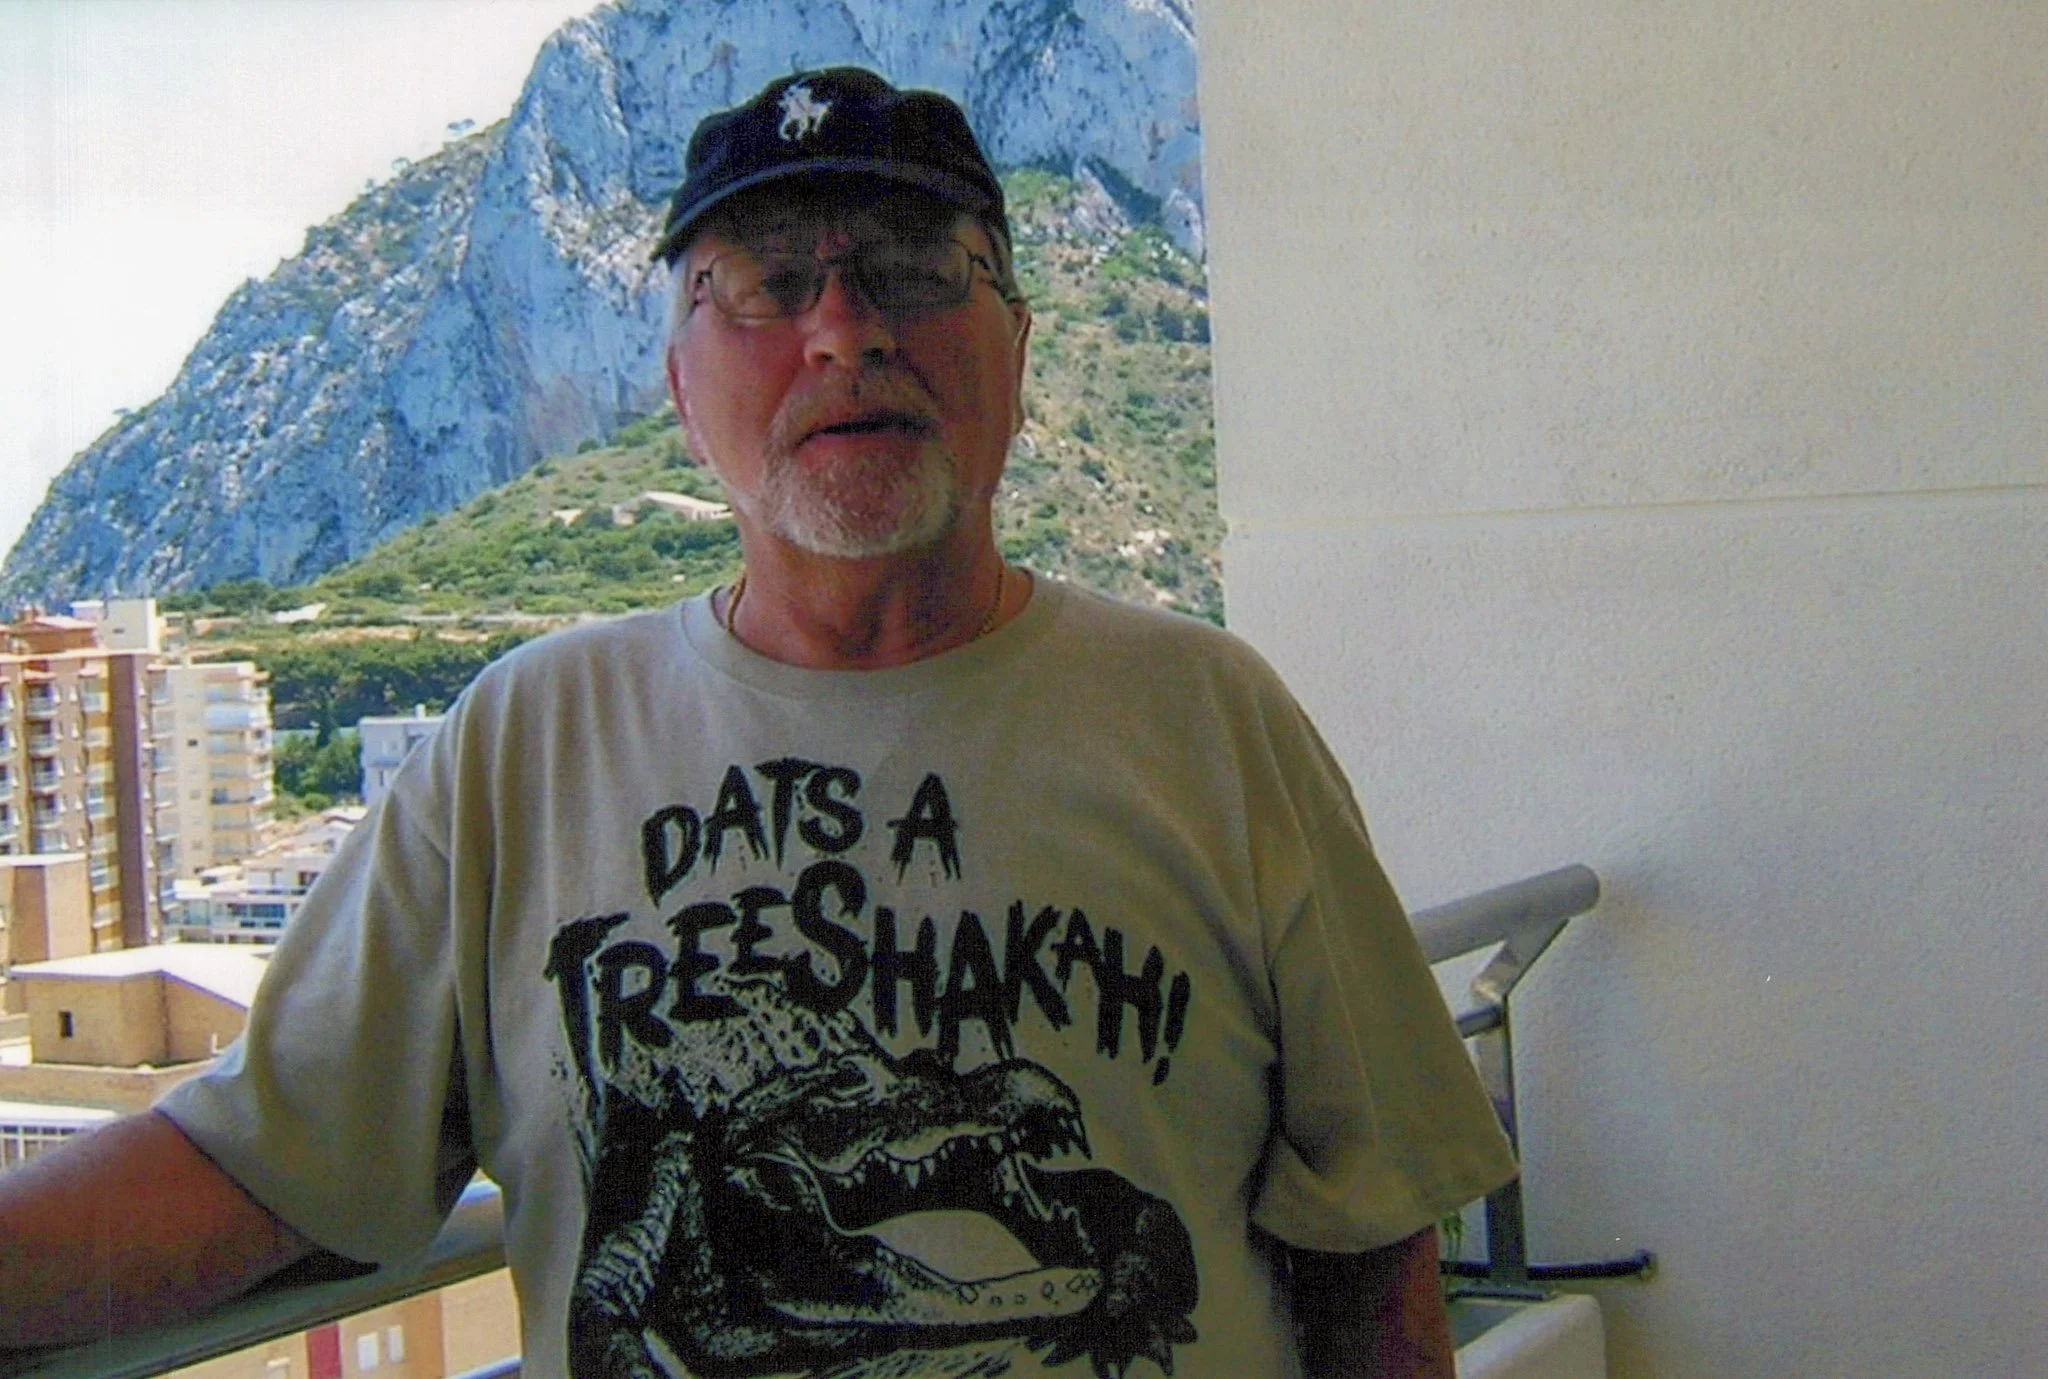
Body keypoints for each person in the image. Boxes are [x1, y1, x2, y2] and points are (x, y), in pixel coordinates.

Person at [0, 68, 1514, 1378]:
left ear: (1018, 346)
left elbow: (1372, 1246)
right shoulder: (522, 743)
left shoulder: (1214, 719)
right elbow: (255, 1169)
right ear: (678, 385)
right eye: (768, 283)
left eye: (911, 268)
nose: (844, 330)